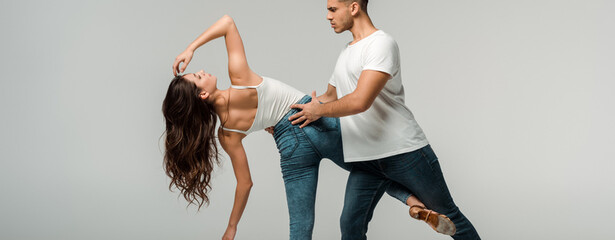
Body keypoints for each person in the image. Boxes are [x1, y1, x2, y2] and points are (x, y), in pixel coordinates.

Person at [161, 15, 452, 240]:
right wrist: (190, 48)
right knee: (371, 167)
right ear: (202, 95)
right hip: (312, 118)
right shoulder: (240, 78)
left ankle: (414, 204)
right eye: (196, 77)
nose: (199, 70)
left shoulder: (227, 134)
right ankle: (414, 203)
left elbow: (245, 183)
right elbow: (227, 22)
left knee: (300, 227)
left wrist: (232, 228)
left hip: (290, 148)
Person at [288, 0, 481, 239]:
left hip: (404, 152)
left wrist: (318, 111)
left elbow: (360, 101)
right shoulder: (347, 51)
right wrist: (287, 117)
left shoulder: (381, 44)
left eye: (332, 9)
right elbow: (329, 97)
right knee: (350, 226)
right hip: (367, 159)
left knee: (450, 216)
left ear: (354, 7)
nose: (328, 16)